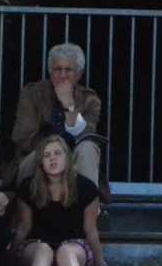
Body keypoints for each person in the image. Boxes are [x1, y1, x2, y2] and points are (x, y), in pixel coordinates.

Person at [11, 134, 108, 266]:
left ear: (67, 157)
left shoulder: (86, 187)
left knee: (66, 251)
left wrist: (101, 265)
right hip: (36, 248)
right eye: (46, 155)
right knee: (43, 249)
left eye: (57, 153)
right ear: (40, 162)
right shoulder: (28, 186)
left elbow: (90, 230)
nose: (52, 159)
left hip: (74, 247)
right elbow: (24, 227)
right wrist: (11, 256)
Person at [10, 42, 103, 192]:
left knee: (88, 148)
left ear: (79, 74)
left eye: (68, 70)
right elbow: (23, 138)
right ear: (50, 72)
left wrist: (69, 106)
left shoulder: (90, 100)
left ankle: (89, 206)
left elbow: (86, 137)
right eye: (57, 69)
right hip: (37, 157)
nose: (62, 75)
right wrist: (54, 153)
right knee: (42, 155)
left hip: (73, 161)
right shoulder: (32, 94)